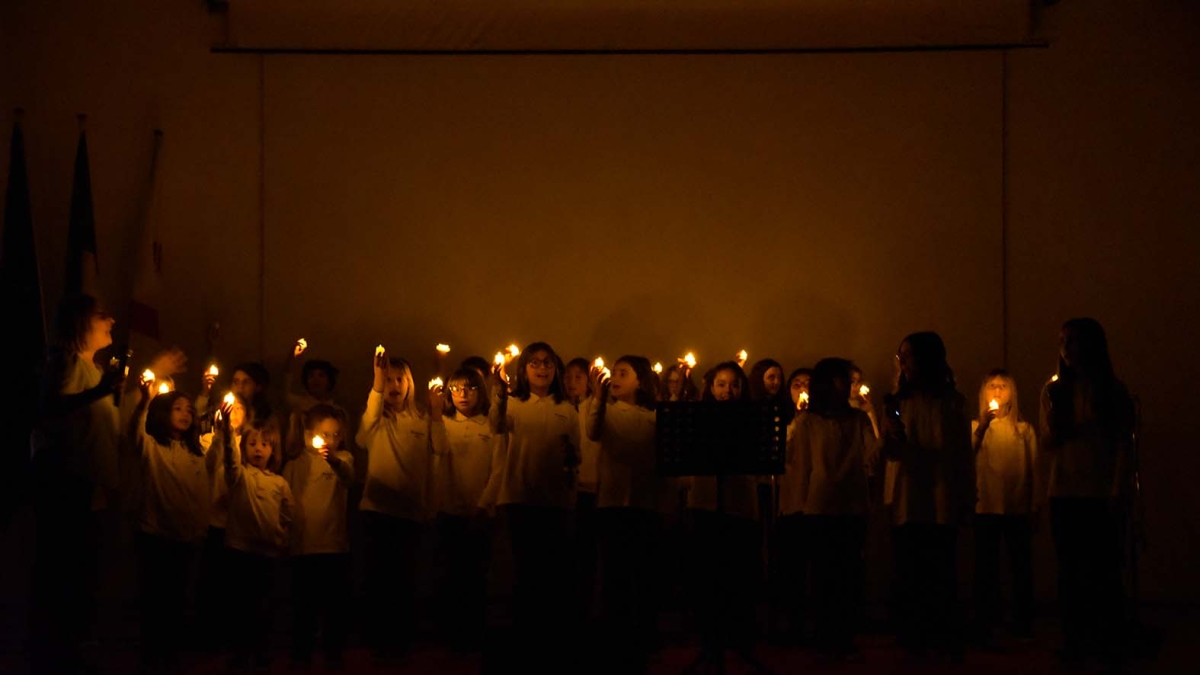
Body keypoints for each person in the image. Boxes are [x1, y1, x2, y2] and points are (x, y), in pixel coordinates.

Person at [28, 294, 123, 675]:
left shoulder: (93, 370)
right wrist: (101, 392)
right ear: (81, 323)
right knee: (64, 568)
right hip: (65, 483)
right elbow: (51, 410)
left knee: (81, 568)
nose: (111, 320)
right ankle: (55, 652)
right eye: (102, 315)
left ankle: (72, 647)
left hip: (85, 483)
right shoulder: (66, 363)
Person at [1039, 318, 1134, 670]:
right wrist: (1061, 426)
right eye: (1063, 341)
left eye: (1074, 341)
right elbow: (1047, 442)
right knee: (1070, 570)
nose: (1066, 347)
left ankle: (1107, 639)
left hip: (1100, 489)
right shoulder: (1054, 391)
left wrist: (1117, 488)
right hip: (1064, 490)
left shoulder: (1113, 391)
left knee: (1104, 570)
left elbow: (1123, 444)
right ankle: (1075, 639)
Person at [880, 332, 974, 662]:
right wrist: (892, 437)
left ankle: (941, 632)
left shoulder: (953, 403)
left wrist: (967, 494)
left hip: (942, 494)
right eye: (900, 356)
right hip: (908, 495)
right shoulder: (897, 402)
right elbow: (891, 455)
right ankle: (912, 635)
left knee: (941, 567)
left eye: (908, 355)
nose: (902, 362)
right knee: (910, 568)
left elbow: (963, 451)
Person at [486, 342, 580, 672]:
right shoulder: (512, 404)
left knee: (550, 573)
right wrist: (498, 392)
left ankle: (547, 643)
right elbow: (495, 425)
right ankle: (521, 642)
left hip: (553, 501)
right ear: (523, 368)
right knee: (522, 573)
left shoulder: (566, 408)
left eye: (548, 363)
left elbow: (574, 454)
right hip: (518, 496)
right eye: (535, 362)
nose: (542, 368)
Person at [783, 357, 878, 660]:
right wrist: (797, 505)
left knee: (849, 572)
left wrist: (872, 413)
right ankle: (825, 634)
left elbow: (873, 457)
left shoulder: (858, 420)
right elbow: (796, 463)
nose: (845, 386)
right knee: (824, 575)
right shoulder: (808, 422)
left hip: (851, 504)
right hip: (820, 506)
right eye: (839, 380)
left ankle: (844, 634)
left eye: (846, 380)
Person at [586, 355, 668, 671]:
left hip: (646, 506)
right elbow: (592, 431)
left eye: (623, 373)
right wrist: (597, 396)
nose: (615, 378)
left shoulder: (653, 416)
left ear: (641, 381)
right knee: (614, 576)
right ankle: (614, 641)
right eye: (614, 372)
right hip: (611, 505)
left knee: (645, 576)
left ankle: (644, 638)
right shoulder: (606, 410)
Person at [356, 349, 433, 665]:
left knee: (405, 582)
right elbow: (363, 432)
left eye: (400, 378)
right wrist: (377, 377)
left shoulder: (422, 419)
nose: (394, 385)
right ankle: (377, 643)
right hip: (376, 511)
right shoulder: (374, 420)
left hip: (410, 513)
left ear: (410, 384)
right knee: (378, 581)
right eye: (388, 379)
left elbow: (431, 464)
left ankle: (401, 643)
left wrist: (429, 505)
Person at [127, 380, 210, 674]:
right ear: (163, 413)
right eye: (177, 409)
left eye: (189, 410)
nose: (186, 414)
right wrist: (145, 400)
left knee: (177, 599)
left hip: (185, 537)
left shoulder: (196, 453)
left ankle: (171, 654)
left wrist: (198, 530)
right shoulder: (152, 446)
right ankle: (151, 655)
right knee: (154, 599)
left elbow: (199, 494)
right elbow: (134, 431)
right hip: (154, 534)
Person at [430, 366, 503, 652]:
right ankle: (449, 637)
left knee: (477, 578)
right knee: (449, 576)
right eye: (456, 389)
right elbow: (438, 449)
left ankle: (474, 636)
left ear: (480, 392)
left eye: (470, 388)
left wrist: (485, 506)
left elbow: (498, 468)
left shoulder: (490, 425)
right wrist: (436, 414)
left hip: (481, 512)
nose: (462, 394)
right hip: (449, 512)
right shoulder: (445, 424)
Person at [283, 404, 354, 669]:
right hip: (302, 547)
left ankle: (333, 653)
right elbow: (286, 502)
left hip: (334, 546)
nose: (331, 440)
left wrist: (334, 461)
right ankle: (301, 654)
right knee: (303, 607)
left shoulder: (344, 458)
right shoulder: (296, 463)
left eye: (336, 435)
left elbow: (348, 477)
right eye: (325, 434)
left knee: (334, 607)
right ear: (308, 434)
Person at [972, 370, 1039, 646]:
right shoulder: (975, 427)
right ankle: (987, 619)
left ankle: (1023, 620)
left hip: (1016, 506)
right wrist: (983, 428)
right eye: (992, 386)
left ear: (1012, 393)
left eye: (1003, 386)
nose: (997, 391)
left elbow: (1034, 468)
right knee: (986, 567)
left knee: (1020, 566)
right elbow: (968, 458)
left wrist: (1035, 504)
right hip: (984, 505)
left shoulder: (1023, 429)